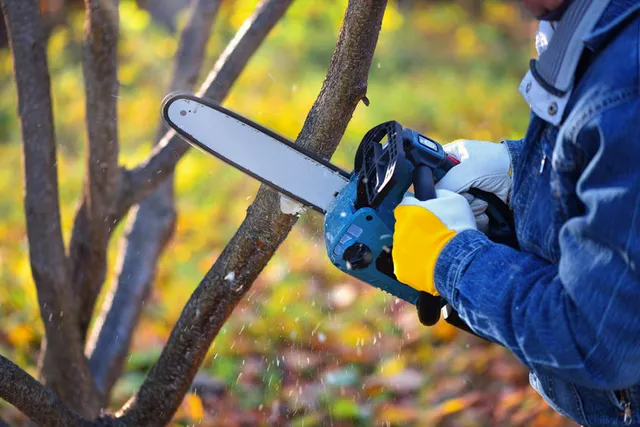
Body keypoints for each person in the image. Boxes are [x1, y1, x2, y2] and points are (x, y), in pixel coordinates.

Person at [391, 0, 640, 425]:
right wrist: (522, 170)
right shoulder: (595, 26)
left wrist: (452, 259)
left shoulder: (625, 88)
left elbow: (598, 339)